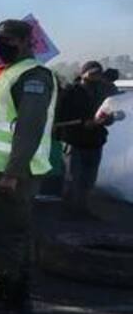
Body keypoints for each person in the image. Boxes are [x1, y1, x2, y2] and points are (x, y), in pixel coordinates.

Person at [0, 19, 57, 314]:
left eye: (8, 40)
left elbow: (29, 126)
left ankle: (4, 299)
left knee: (7, 238)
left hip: (15, 174)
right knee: (12, 236)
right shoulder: (11, 73)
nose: (2, 46)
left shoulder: (34, 75)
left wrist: (12, 172)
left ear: (25, 42)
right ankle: (19, 297)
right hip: (3, 172)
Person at [59, 61, 118, 215]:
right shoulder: (71, 92)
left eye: (98, 73)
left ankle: (83, 209)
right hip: (74, 141)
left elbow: (108, 113)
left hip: (95, 141)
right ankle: (68, 211)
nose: (95, 76)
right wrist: (82, 123)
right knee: (73, 178)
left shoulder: (102, 92)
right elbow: (61, 117)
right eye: (92, 73)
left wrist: (108, 120)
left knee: (89, 179)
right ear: (83, 73)